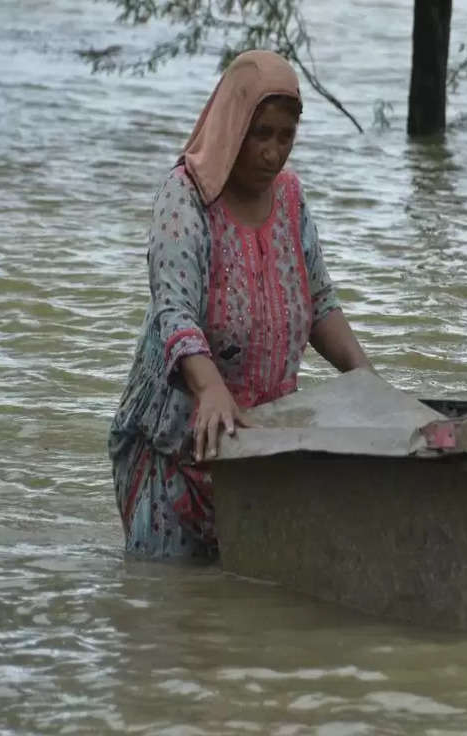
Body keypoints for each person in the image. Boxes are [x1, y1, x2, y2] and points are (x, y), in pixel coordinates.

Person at [108, 50, 371, 560]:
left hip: (258, 453)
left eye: (286, 137)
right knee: (172, 608)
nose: (273, 154)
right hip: (175, 448)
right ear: (234, 124)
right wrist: (210, 389)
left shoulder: (291, 199)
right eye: (261, 135)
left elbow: (319, 302)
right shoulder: (185, 196)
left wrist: (367, 380)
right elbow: (175, 313)